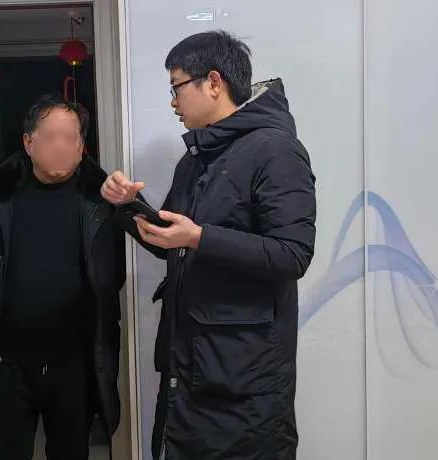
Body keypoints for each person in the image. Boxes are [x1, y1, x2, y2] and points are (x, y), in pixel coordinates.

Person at [101, 31, 316, 459]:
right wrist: (127, 206)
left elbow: (292, 254)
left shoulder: (275, 150)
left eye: (177, 87)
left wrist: (199, 237)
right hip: (189, 371)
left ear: (214, 82)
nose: (173, 102)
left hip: (245, 385)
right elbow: (171, 240)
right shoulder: (197, 157)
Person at [0, 95, 125, 460]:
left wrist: (129, 202)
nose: (61, 146)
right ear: (28, 142)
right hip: (6, 364)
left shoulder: (100, 200)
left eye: (71, 138)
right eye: (51, 136)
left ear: (81, 147)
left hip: (75, 365)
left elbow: (159, 241)